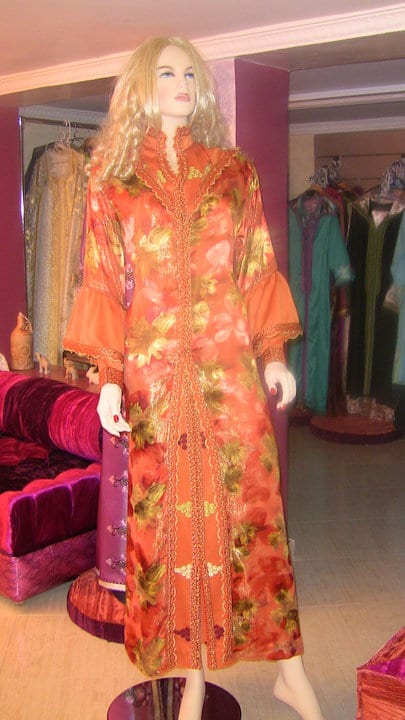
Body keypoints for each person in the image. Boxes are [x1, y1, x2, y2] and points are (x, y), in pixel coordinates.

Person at [64, 35, 325, 720]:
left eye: (189, 73)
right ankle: (193, 680)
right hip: (155, 380)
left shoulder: (234, 171)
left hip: (229, 375)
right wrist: (108, 376)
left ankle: (289, 670)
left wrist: (273, 353)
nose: (181, 83)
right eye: (166, 72)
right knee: (171, 530)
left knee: (253, 516)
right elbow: (102, 280)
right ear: (141, 87)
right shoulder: (111, 181)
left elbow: (256, 265)